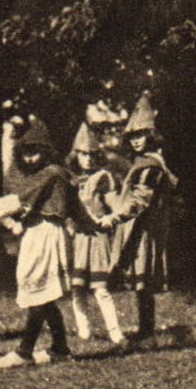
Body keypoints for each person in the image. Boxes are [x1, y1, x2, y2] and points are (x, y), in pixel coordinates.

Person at [0, 118, 79, 369]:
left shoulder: (49, 174)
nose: (30, 159)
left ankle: (24, 351)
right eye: (26, 153)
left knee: (38, 291)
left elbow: (14, 202)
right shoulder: (56, 174)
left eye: (35, 152)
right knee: (45, 293)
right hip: (41, 233)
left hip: (46, 234)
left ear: (46, 151)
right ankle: (60, 348)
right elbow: (77, 209)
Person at [110, 94, 178, 343]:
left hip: (144, 227)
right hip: (139, 225)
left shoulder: (150, 166)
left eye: (141, 136)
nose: (137, 141)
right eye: (133, 137)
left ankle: (147, 333)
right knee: (140, 281)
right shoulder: (142, 162)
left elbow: (141, 199)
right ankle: (144, 329)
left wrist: (118, 215)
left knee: (143, 281)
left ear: (151, 136)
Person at [66, 123, 128, 349]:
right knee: (77, 286)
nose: (88, 159)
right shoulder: (70, 180)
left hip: (98, 238)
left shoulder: (103, 178)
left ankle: (115, 332)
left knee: (101, 288)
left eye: (93, 155)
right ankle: (83, 329)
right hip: (78, 238)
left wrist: (110, 218)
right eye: (83, 155)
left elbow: (116, 205)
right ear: (77, 156)